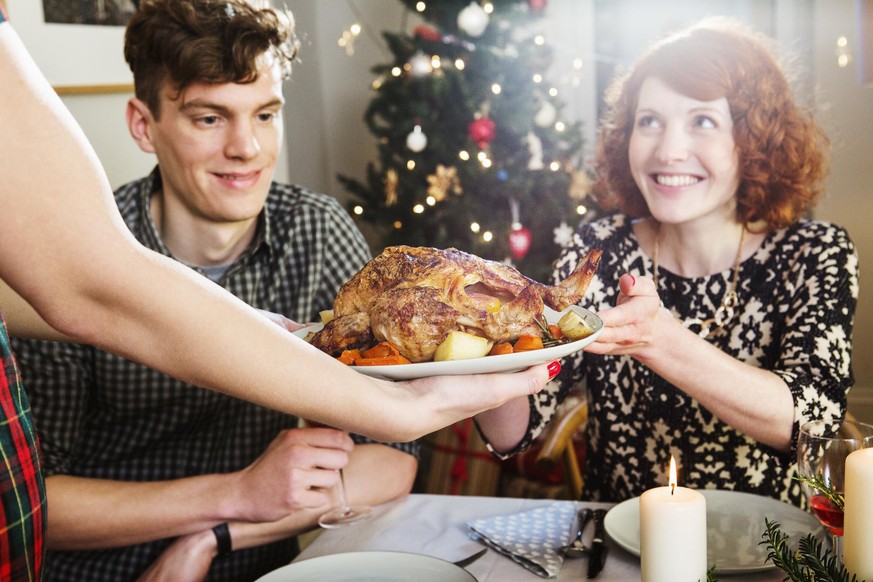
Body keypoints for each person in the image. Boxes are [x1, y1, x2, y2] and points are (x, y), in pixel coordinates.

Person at [0, 7, 555, 580]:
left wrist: (217, 537)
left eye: (265, 114)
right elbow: (36, 502)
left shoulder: (315, 230)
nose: (246, 147)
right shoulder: (71, 251)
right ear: (144, 125)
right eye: (209, 119)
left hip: (265, 563)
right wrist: (235, 493)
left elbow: (391, 462)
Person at [477, 16, 858, 508]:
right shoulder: (599, 247)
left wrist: (662, 340)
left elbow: (815, 419)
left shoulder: (815, 253)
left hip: (769, 555)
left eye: (703, 121)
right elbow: (519, 427)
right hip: (615, 550)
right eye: (649, 121)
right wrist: (488, 350)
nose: (668, 150)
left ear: (754, 140)